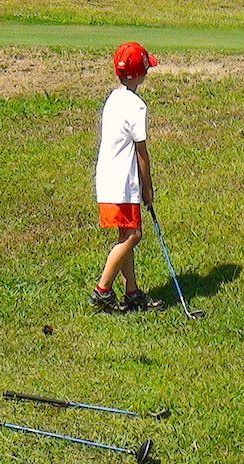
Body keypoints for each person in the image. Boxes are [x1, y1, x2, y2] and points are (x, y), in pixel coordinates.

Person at [91, 41, 165, 313]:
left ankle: (132, 292)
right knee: (134, 234)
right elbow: (142, 153)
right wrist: (148, 188)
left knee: (126, 234)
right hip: (123, 183)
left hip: (108, 178)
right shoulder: (136, 106)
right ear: (140, 74)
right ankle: (102, 290)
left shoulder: (113, 98)